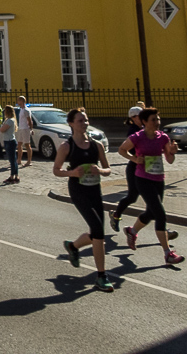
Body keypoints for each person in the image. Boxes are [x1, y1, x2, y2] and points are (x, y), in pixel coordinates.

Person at [53, 107, 115, 292]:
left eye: (86, 120)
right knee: (98, 230)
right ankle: (101, 276)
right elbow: (56, 169)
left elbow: (108, 168)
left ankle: (73, 246)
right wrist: (71, 172)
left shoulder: (97, 145)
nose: (84, 123)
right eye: (80, 120)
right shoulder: (67, 146)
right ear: (71, 124)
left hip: (94, 189)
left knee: (98, 233)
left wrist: (100, 171)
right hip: (78, 190)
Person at [118, 108, 184, 265]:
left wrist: (173, 152)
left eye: (158, 119)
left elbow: (169, 160)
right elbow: (122, 150)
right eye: (154, 119)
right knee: (160, 214)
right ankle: (168, 253)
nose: (157, 122)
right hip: (142, 179)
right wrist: (135, 159)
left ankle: (131, 231)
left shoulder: (163, 137)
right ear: (145, 122)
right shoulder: (137, 137)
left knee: (151, 212)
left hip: (158, 179)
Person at [109, 106, 145, 232]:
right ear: (132, 118)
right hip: (135, 167)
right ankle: (116, 214)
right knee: (132, 197)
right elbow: (125, 150)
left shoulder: (148, 127)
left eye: (141, 115)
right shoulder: (133, 131)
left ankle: (164, 229)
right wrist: (135, 159)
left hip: (149, 168)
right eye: (136, 116)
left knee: (154, 198)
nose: (140, 118)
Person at [0, 106, 19, 184]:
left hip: (9, 141)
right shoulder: (11, 120)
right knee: (14, 160)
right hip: (10, 140)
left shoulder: (9, 121)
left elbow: (2, 129)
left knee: (12, 160)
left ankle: (12, 176)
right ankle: (16, 175)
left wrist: (1, 125)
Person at [16, 95, 34, 166]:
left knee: (27, 144)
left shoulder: (26, 110)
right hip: (21, 128)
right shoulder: (21, 109)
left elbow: (29, 120)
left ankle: (29, 161)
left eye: (18, 100)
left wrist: (31, 129)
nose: (17, 102)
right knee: (19, 144)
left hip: (25, 129)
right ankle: (19, 160)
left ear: (22, 101)